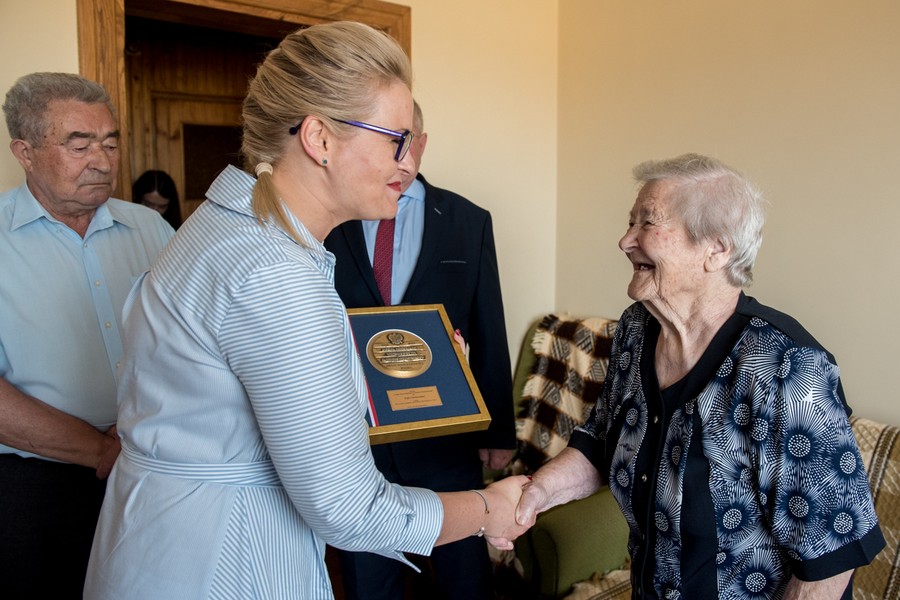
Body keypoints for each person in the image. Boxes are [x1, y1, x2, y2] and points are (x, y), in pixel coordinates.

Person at [84, 21, 527, 599]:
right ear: (319, 139)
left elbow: (242, 385)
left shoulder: (218, 226)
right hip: (222, 559)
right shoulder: (278, 274)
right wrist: (487, 508)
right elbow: (350, 508)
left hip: (150, 539)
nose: (408, 161)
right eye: (395, 139)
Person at [503, 154, 886, 599]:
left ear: (717, 249)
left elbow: (830, 560)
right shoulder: (636, 330)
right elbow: (600, 442)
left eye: (648, 223)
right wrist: (539, 492)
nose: (625, 240)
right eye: (630, 222)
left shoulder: (786, 367)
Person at [325, 101, 515, 599]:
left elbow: (489, 325)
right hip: (359, 439)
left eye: (408, 141)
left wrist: (499, 430)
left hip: (445, 440)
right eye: (388, 142)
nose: (400, 157)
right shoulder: (332, 217)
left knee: (464, 581)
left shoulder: (469, 221)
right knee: (369, 581)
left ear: (423, 143)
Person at [0, 72, 174, 598]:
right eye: (79, 145)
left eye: (110, 142)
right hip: (39, 485)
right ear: (25, 152)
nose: (101, 160)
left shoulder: (151, 228)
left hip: (154, 467)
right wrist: (98, 449)